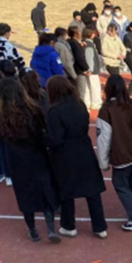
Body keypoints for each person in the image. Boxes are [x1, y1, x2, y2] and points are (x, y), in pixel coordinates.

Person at [0, 78, 60, 243]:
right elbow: (43, 131)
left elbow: (0, 138)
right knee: (45, 189)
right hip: (37, 155)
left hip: (16, 159)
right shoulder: (33, 110)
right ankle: (50, 227)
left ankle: (33, 230)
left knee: (24, 193)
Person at [46, 76, 108, 239]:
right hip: (84, 148)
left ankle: (69, 226)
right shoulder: (80, 104)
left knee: (66, 190)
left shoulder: (54, 111)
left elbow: (56, 138)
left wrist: (44, 139)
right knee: (92, 190)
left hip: (65, 154)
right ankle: (100, 227)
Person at [96, 75, 132, 231]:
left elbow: (103, 138)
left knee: (120, 185)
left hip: (122, 154)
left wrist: (103, 162)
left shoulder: (106, 110)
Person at [80, 28, 103, 110]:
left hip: (89, 69)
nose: (94, 35)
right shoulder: (89, 45)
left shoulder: (85, 43)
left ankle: (88, 102)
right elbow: (89, 58)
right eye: (93, 33)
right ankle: (96, 103)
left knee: (87, 86)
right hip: (92, 70)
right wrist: (90, 69)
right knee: (95, 86)